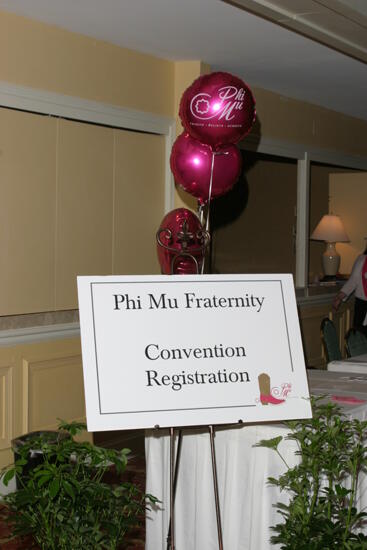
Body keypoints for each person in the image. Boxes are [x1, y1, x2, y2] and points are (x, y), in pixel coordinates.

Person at [332, 242, 367, 335]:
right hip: (362, 307)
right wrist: (339, 297)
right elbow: (353, 281)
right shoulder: (362, 260)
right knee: (360, 340)